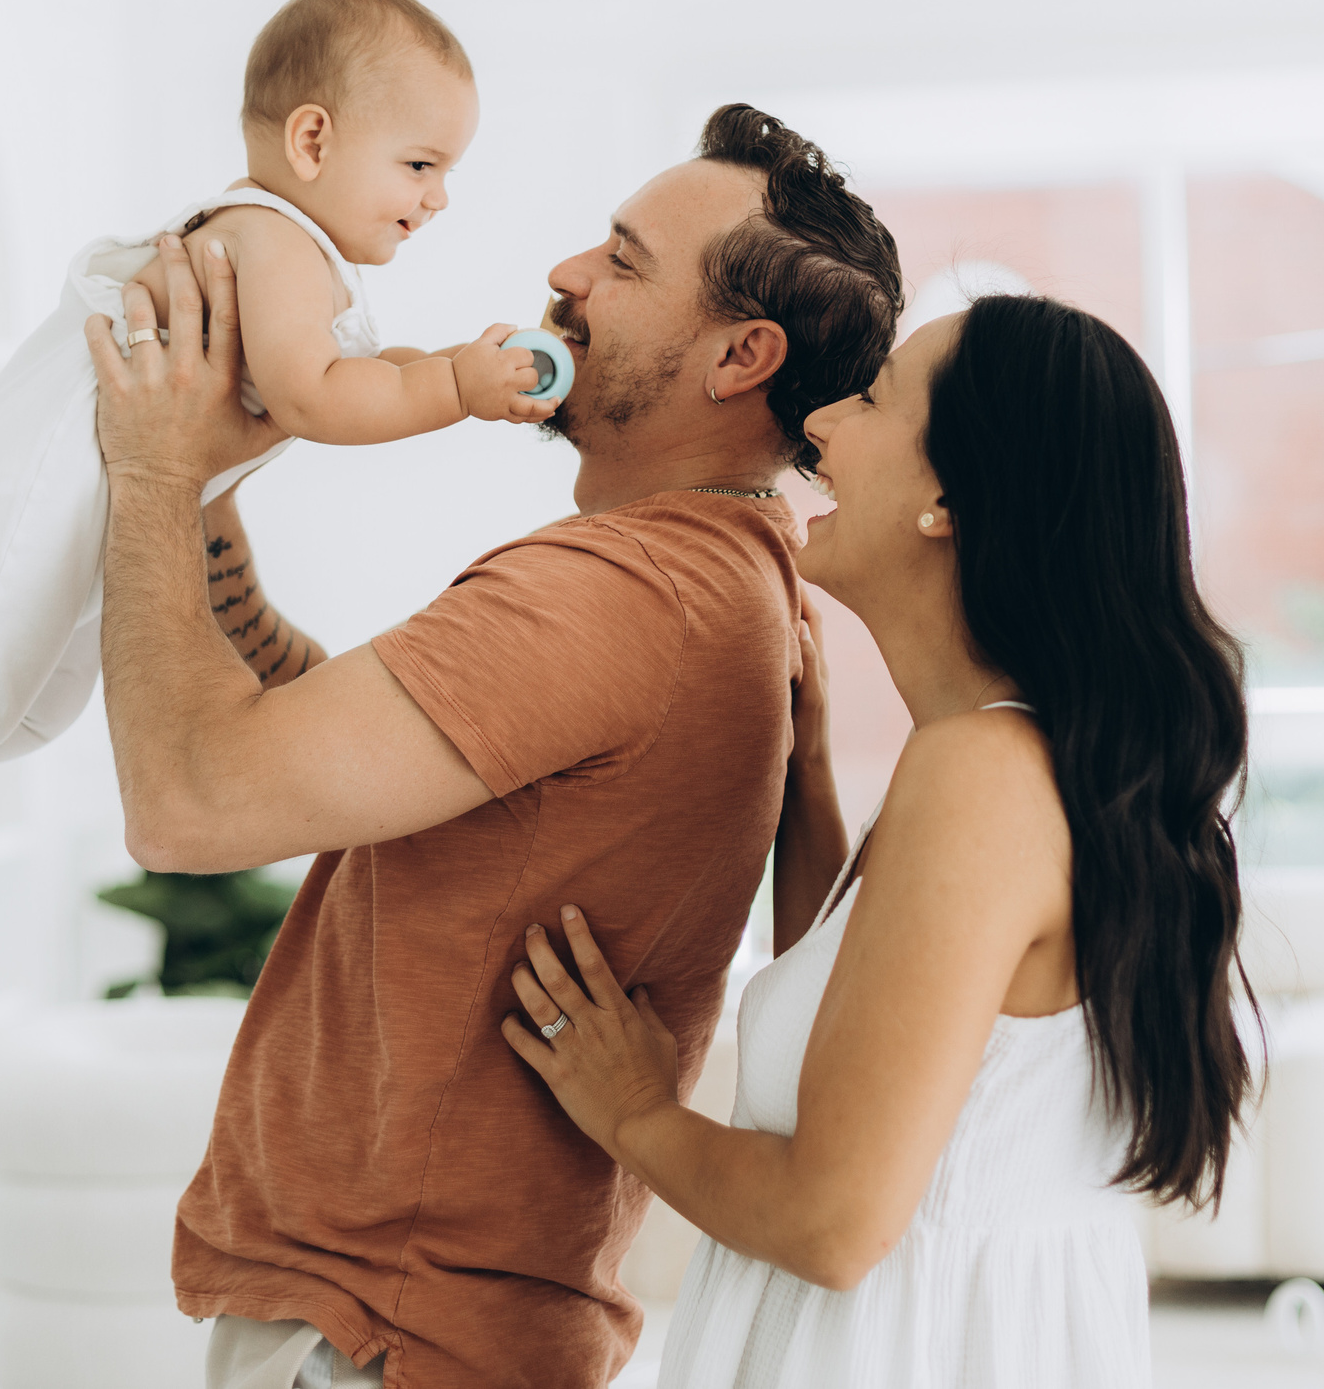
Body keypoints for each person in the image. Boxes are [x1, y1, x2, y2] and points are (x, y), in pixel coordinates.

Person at [77, 106, 903, 1387]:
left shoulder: (630, 591)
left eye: (624, 262)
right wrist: (204, 502)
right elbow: (353, 758)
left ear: (741, 356)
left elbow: (187, 805)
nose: (568, 276)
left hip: (382, 1339)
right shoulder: (725, 580)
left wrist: (143, 470)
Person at [503, 294, 1254, 1386]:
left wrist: (633, 1111)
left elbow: (832, 1220)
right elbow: (866, 1032)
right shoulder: (1005, 759)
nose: (819, 424)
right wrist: (805, 774)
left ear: (946, 496)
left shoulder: (984, 777)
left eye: (872, 397)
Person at [0, 0, 552, 932]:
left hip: (78, 517)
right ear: (313, 140)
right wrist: (457, 388)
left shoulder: (296, 255)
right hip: (25, 490)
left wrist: (454, 364)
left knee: (33, 713)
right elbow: (316, 393)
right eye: (420, 164)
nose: (441, 196)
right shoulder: (271, 240)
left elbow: (358, 367)